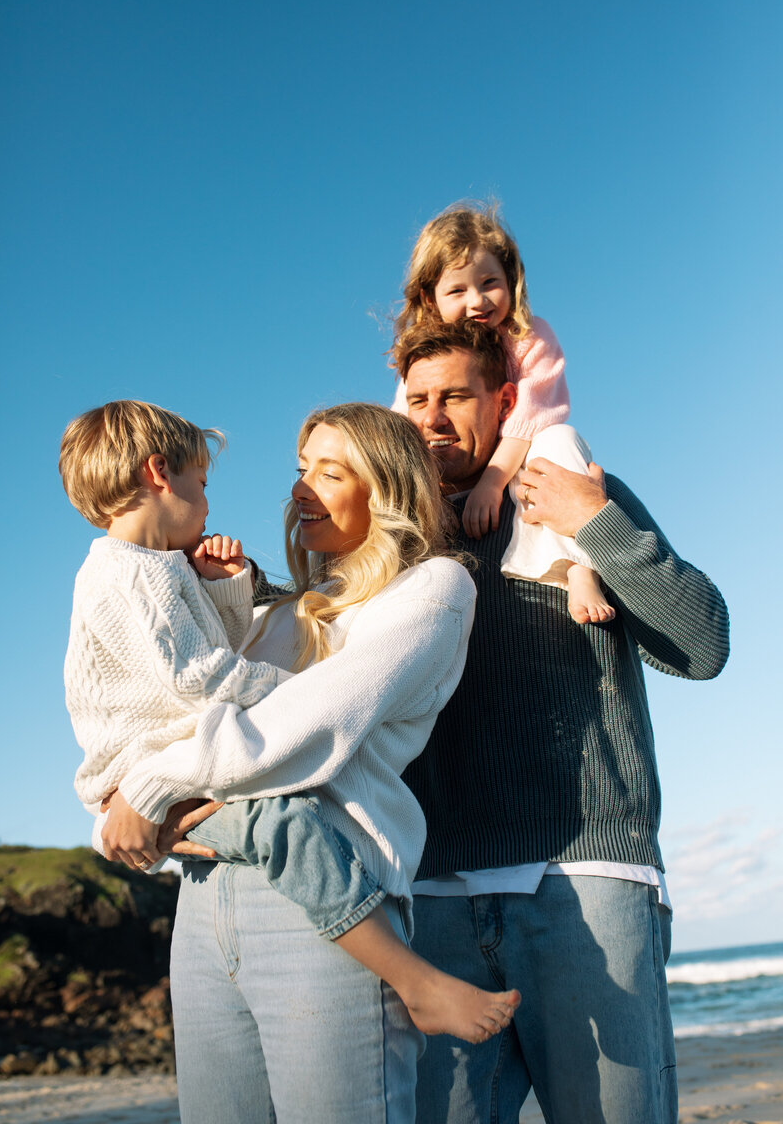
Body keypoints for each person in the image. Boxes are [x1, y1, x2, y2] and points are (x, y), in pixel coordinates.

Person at [87, 401, 520, 1123]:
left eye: (330, 471)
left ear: (384, 490)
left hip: (323, 912)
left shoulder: (433, 591)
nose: (300, 490)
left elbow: (302, 729)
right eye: (300, 471)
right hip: (201, 901)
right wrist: (119, 806)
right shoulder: (278, 614)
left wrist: (152, 785)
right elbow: (173, 715)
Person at [392, 321, 730, 1124]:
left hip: (589, 882)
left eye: (456, 398)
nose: (434, 417)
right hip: (430, 901)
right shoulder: (389, 536)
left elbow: (702, 646)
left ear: (506, 400)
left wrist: (596, 523)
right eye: (418, 401)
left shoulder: (571, 489)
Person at [392, 202, 614, 624]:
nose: (477, 301)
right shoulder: (423, 362)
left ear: (511, 281)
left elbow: (533, 414)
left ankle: (578, 568)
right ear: (430, 297)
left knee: (559, 438)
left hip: (523, 457)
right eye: (457, 290)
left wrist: (492, 484)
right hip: (455, 484)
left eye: (489, 282)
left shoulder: (530, 338)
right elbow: (403, 427)